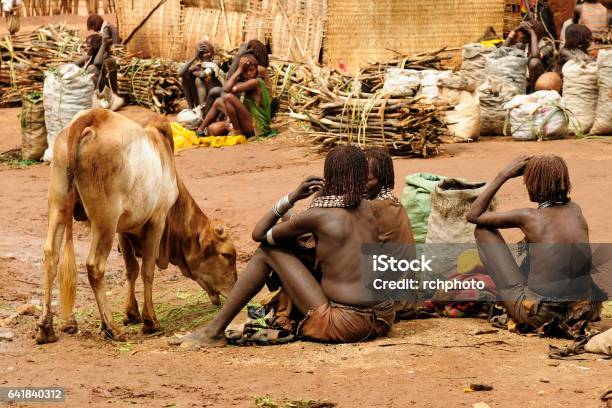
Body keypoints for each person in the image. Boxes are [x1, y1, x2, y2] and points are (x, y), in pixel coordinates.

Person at [173, 145, 395, 347]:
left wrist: (290, 198)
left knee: (267, 252)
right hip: (383, 317)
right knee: (303, 252)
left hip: (346, 324)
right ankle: (217, 330)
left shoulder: (320, 215)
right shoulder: (367, 208)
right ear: (360, 176)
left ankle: (213, 332)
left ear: (329, 177)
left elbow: (259, 234)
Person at [467, 155, 603, 336]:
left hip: (540, 314)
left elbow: (474, 215)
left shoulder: (529, 217)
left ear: (535, 185)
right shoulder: (575, 210)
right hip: (584, 310)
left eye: (528, 181)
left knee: (483, 229)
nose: (527, 186)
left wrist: (504, 174)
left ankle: (522, 297)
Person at [196, 53, 275, 138]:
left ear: (256, 69)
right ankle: (200, 130)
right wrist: (229, 119)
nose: (249, 73)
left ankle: (237, 131)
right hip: (247, 120)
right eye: (245, 71)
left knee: (228, 97)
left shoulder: (255, 82)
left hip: (257, 127)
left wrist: (239, 69)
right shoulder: (245, 81)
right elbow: (226, 89)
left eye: (251, 70)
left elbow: (226, 90)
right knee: (217, 106)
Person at [504, 19, 554, 91]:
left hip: (541, 81)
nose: (521, 36)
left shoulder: (547, 46)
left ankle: (533, 91)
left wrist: (532, 32)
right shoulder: (524, 45)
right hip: (524, 78)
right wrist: (515, 30)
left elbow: (535, 55)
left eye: (524, 34)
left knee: (534, 62)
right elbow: (502, 50)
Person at [178, 41, 223, 109]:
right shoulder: (198, 67)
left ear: (213, 53)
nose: (204, 55)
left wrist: (193, 73)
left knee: (198, 79)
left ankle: (202, 107)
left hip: (215, 99)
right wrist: (194, 57)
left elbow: (203, 75)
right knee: (185, 77)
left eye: (207, 52)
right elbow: (180, 74)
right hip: (201, 101)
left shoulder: (216, 64)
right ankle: (191, 107)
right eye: (201, 53)